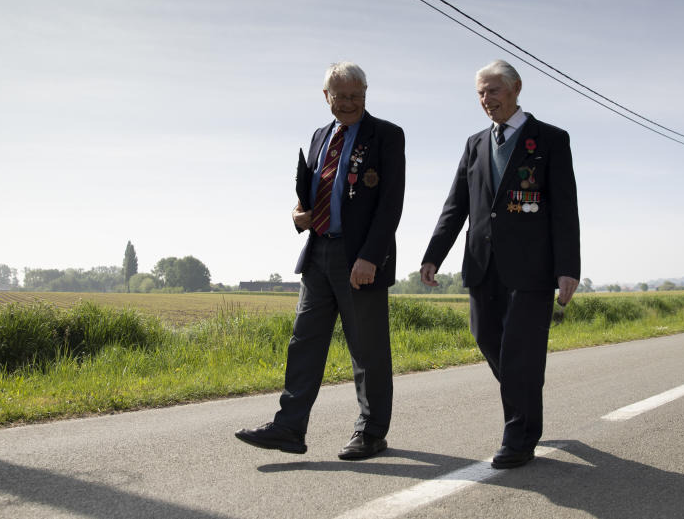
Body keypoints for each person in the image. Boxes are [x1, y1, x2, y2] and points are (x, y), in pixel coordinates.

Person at [235, 62, 405, 460]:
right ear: (325, 96)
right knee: (304, 343)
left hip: (359, 259)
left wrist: (369, 257)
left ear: (366, 93)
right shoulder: (318, 135)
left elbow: (390, 203)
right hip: (318, 253)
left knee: (367, 349)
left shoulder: (387, 135)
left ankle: (372, 431)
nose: (347, 103)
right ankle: (289, 428)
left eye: (355, 96)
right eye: (340, 96)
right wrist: (298, 214)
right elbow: (313, 189)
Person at [420, 60, 580, 469]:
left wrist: (568, 267)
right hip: (482, 265)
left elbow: (564, 209)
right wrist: (433, 255)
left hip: (532, 269)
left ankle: (519, 436)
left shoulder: (550, 139)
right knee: (487, 338)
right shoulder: (475, 143)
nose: (486, 100)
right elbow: (455, 204)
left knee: (519, 354)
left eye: (493, 91)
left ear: (516, 88)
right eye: (480, 93)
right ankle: (523, 403)